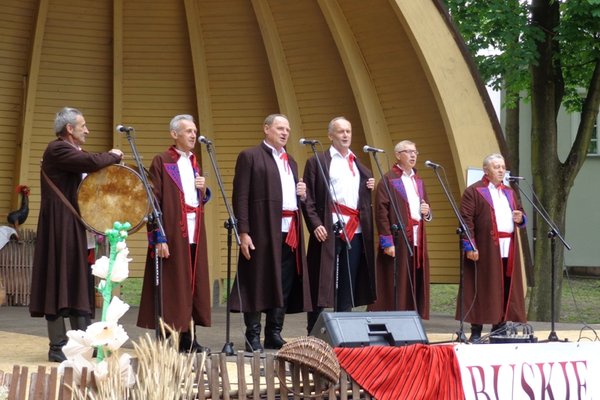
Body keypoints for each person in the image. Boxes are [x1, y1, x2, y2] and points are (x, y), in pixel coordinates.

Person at [29, 107, 123, 362]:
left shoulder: (71, 152)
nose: (87, 130)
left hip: (74, 225)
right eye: (83, 126)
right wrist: (113, 155)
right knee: (59, 280)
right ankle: (58, 347)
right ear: (69, 129)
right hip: (60, 226)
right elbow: (91, 162)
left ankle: (83, 343)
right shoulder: (57, 149)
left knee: (78, 280)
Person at [230, 114, 312, 352]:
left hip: (290, 230)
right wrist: (243, 232)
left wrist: (302, 193)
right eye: (279, 128)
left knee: (284, 282)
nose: (285, 133)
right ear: (266, 129)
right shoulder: (250, 156)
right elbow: (241, 196)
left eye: (287, 129)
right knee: (257, 280)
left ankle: (274, 332)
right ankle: (252, 335)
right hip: (262, 229)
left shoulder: (291, 161)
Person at [137, 114, 212, 353]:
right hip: (172, 231)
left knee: (191, 284)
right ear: (174, 134)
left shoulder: (194, 162)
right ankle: (169, 337)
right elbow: (153, 202)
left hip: (194, 231)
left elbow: (193, 198)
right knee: (171, 286)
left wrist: (204, 191)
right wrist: (158, 237)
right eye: (188, 131)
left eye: (194, 131)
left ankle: (189, 337)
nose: (193, 135)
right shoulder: (162, 160)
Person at [302, 116, 376, 334]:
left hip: (355, 229)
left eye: (348, 131)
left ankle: (343, 330)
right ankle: (314, 331)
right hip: (329, 227)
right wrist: (315, 223)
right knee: (321, 280)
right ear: (330, 136)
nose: (346, 135)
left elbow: (361, 200)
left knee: (348, 281)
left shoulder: (358, 165)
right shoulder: (318, 161)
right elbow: (308, 198)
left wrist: (368, 185)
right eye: (341, 131)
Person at [456, 153, 527, 342]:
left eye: (503, 167)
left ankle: (500, 326)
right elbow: (466, 221)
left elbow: (520, 213)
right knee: (482, 285)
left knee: (504, 284)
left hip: (508, 246)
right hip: (485, 247)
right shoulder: (474, 191)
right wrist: (470, 246)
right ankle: (476, 329)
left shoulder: (509, 192)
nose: (501, 170)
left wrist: (521, 218)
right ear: (486, 170)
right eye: (497, 167)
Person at [367, 140, 432, 318]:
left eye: (415, 152)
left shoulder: (418, 181)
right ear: (397, 155)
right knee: (398, 279)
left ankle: (413, 316)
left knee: (415, 277)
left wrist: (426, 212)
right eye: (408, 151)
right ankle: (396, 316)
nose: (413, 155)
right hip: (398, 238)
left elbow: (425, 208)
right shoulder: (388, 180)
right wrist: (387, 241)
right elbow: (381, 213)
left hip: (418, 237)